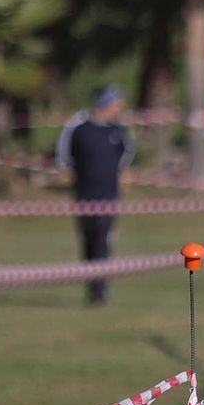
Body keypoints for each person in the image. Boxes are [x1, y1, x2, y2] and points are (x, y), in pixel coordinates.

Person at [55, 85, 133, 305]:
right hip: (84, 194)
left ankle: (100, 291)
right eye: (117, 102)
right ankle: (91, 286)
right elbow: (64, 157)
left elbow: (127, 153)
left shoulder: (119, 130)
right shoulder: (79, 128)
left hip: (109, 195)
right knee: (88, 238)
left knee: (103, 238)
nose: (120, 107)